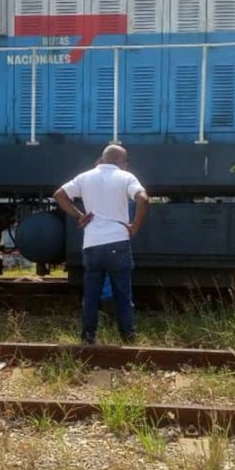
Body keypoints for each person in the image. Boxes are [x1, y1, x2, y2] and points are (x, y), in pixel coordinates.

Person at [53, 144, 150, 345]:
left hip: (92, 245)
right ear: (121, 161)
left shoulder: (84, 177)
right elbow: (143, 199)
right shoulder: (126, 177)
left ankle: (88, 337)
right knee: (123, 294)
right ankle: (128, 337)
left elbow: (59, 195)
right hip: (118, 243)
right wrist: (134, 226)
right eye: (126, 161)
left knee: (91, 295)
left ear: (103, 158)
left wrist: (79, 215)